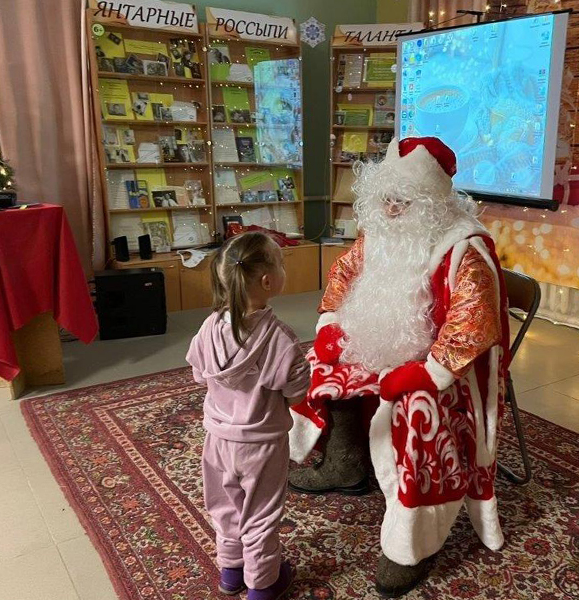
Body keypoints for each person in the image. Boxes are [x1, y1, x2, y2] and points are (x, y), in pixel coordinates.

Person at [288, 137, 510, 597]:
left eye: (401, 201)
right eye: (384, 198)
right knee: (322, 364)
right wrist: (331, 322)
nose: (390, 209)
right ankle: (346, 463)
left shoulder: (464, 249)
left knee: (417, 411)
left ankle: (411, 544)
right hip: (380, 341)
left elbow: (474, 323)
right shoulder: (380, 233)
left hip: (442, 366)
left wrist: (429, 371)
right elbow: (344, 274)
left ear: (430, 202)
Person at [187, 232, 310, 600]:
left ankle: (230, 570)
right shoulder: (281, 339)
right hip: (262, 447)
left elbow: (198, 373)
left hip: (217, 441)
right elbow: (297, 391)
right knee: (261, 514)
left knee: (224, 506)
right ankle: (262, 584)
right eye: (282, 264)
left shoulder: (207, 329)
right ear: (268, 282)